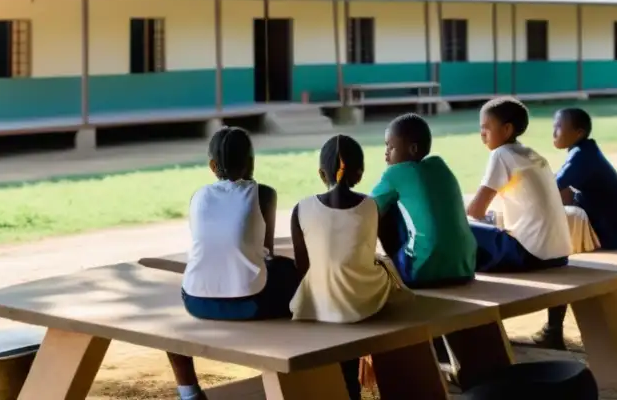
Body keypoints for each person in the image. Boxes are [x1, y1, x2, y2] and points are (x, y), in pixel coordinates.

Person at [170, 127, 300, 400]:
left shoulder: (198, 196)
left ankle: (189, 393)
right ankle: (294, 377)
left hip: (195, 299)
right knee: (290, 272)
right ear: (252, 163)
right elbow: (266, 253)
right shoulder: (263, 194)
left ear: (212, 166)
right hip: (250, 302)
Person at [290, 134, 410, 400]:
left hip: (319, 303)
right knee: (385, 269)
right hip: (363, 302)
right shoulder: (370, 205)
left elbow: (303, 268)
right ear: (360, 173)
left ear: (322, 173)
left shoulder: (301, 208)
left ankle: (347, 384)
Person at [533, 107, 617, 350]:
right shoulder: (583, 151)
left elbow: (550, 186)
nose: (553, 132)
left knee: (558, 255)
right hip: (608, 223)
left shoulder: (581, 157)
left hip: (610, 232)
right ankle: (553, 329)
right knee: (560, 232)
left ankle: (553, 330)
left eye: (558, 127)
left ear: (578, 132)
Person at [465, 97, 572, 272]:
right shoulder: (532, 155)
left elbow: (475, 211)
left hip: (530, 255)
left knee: (457, 228)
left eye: (486, 127)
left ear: (507, 129)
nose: (482, 133)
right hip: (558, 255)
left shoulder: (501, 154)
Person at [370, 113, 477, 288]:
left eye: (391, 147)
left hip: (421, 272)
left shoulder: (395, 173)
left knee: (382, 209)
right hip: (464, 268)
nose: (386, 153)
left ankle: (396, 265)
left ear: (412, 149)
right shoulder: (441, 167)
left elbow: (367, 209)